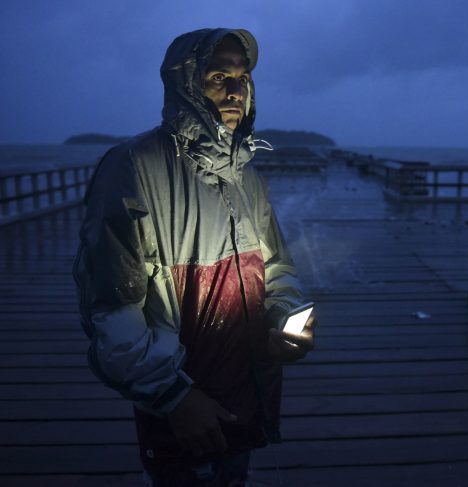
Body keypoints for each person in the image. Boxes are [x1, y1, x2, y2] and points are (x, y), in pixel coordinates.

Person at [73, 28, 315, 486]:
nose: (234, 90)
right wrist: (173, 396)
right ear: (185, 81)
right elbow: (111, 308)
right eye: (218, 75)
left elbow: (277, 267)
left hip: (248, 393)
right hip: (182, 409)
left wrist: (285, 316)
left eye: (242, 78)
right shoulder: (131, 166)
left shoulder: (246, 175)